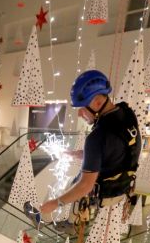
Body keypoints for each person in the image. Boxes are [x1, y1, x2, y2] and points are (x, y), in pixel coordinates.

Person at [40, 70, 141, 219]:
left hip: (104, 200)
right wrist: (79, 154)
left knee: (73, 185)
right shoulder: (127, 114)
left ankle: (44, 216)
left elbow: (85, 186)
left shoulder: (97, 137)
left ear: (97, 102)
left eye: (82, 108)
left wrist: (55, 203)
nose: (80, 114)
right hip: (122, 189)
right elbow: (113, 151)